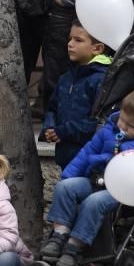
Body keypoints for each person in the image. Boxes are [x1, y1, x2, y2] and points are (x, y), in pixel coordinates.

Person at [41, 86, 134, 266]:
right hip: (97, 179)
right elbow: (87, 151)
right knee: (65, 187)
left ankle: (74, 246)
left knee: (93, 202)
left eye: (131, 126)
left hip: (127, 190)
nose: (123, 126)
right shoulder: (109, 130)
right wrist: (70, 174)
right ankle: (59, 235)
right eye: (122, 119)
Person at [41, 22, 111, 169]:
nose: (70, 44)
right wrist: (49, 127)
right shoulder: (65, 77)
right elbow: (53, 108)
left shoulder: (102, 79)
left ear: (97, 48)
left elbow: (98, 122)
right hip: (65, 155)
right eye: (70, 39)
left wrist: (63, 131)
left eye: (78, 40)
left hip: (90, 157)